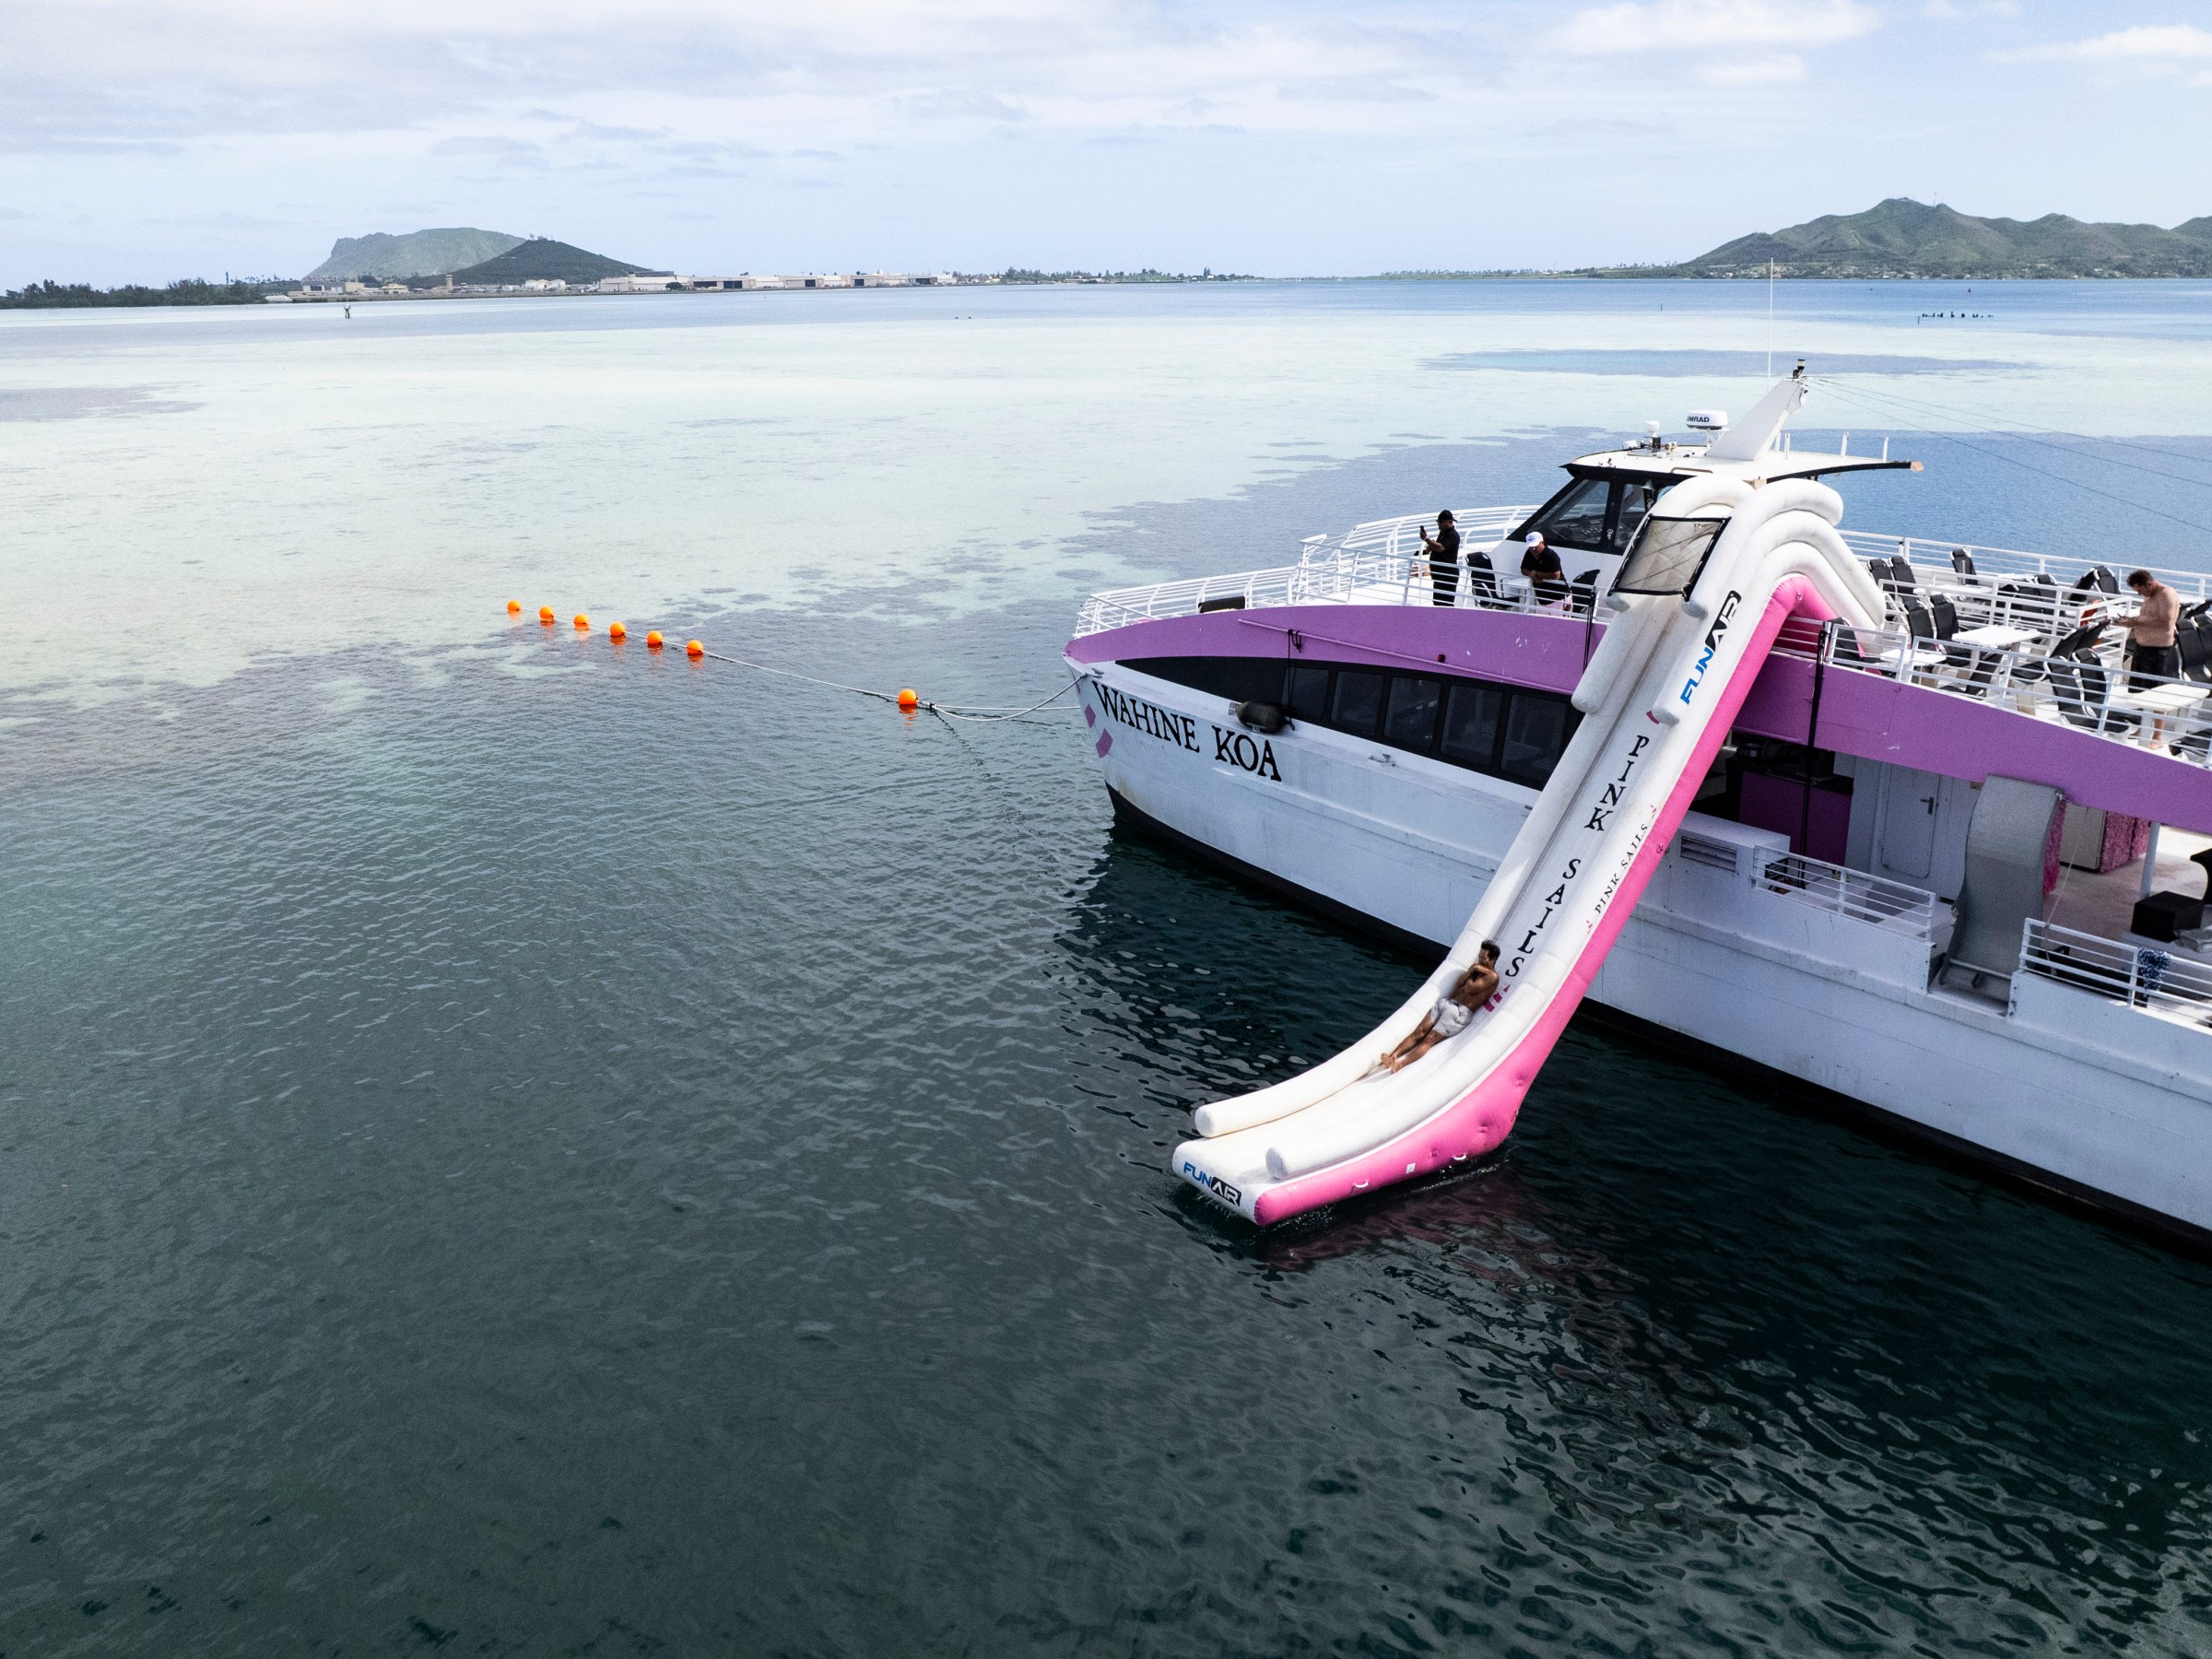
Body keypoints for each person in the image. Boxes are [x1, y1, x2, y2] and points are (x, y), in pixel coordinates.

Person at [1381, 942, 1500, 1074]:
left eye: (1483, 958)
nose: (1480, 960)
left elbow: (1469, 988)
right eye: (1479, 956)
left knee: (1429, 1039)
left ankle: (1400, 1065)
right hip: (1447, 1003)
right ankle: (1393, 1057)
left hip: (1460, 1012)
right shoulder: (1476, 969)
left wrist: (1473, 970)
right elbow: (1459, 983)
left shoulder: (1492, 977)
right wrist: (1472, 971)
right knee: (1419, 1031)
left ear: (1493, 960)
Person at [2125, 568, 2180, 688]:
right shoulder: (2149, 594)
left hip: (2157, 651)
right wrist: (2129, 622)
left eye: (2140, 591)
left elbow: (2166, 624)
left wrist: (2136, 623)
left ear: (2149, 584)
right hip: (2142, 648)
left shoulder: (2165, 594)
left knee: (2153, 692)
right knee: (2137, 690)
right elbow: (2148, 617)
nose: (2140, 594)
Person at [1418, 511, 1460, 607]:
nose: (1439, 524)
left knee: (1445, 603)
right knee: (1438, 602)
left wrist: (1426, 539)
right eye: (1438, 522)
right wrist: (1431, 546)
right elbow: (1439, 547)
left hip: (1448, 575)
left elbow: (1441, 548)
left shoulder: (1452, 534)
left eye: (1441, 522)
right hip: (1440, 575)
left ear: (1449, 522)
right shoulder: (1443, 533)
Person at [1521, 534, 1568, 607]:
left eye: (1535, 546)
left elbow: (1556, 575)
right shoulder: (1529, 553)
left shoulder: (1551, 555)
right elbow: (1523, 569)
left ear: (1542, 543)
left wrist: (1536, 574)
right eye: (1530, 547)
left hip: (1558, 598)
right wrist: (1531, 574)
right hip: (1542, 599)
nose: (1533, 549)